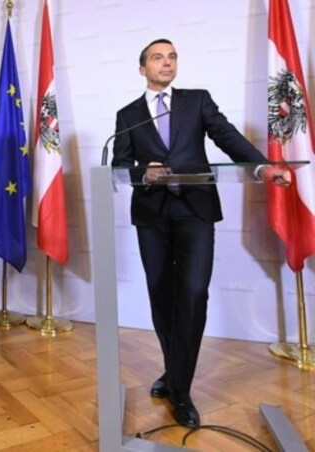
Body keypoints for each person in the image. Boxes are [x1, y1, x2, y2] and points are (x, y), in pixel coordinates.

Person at [111, 38, 291, 428]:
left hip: (195, 211)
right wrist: (145, 174)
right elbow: (120, 162)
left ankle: (180, 389)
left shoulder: (197, 100)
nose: (167, 62)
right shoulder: (128, 115)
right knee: (161, 294)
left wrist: (261, 168)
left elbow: (227, 136)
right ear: (142, 69)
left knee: (193, 294)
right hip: (152, 215)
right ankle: (174, 374)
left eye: (172, 56)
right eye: (158, 57)